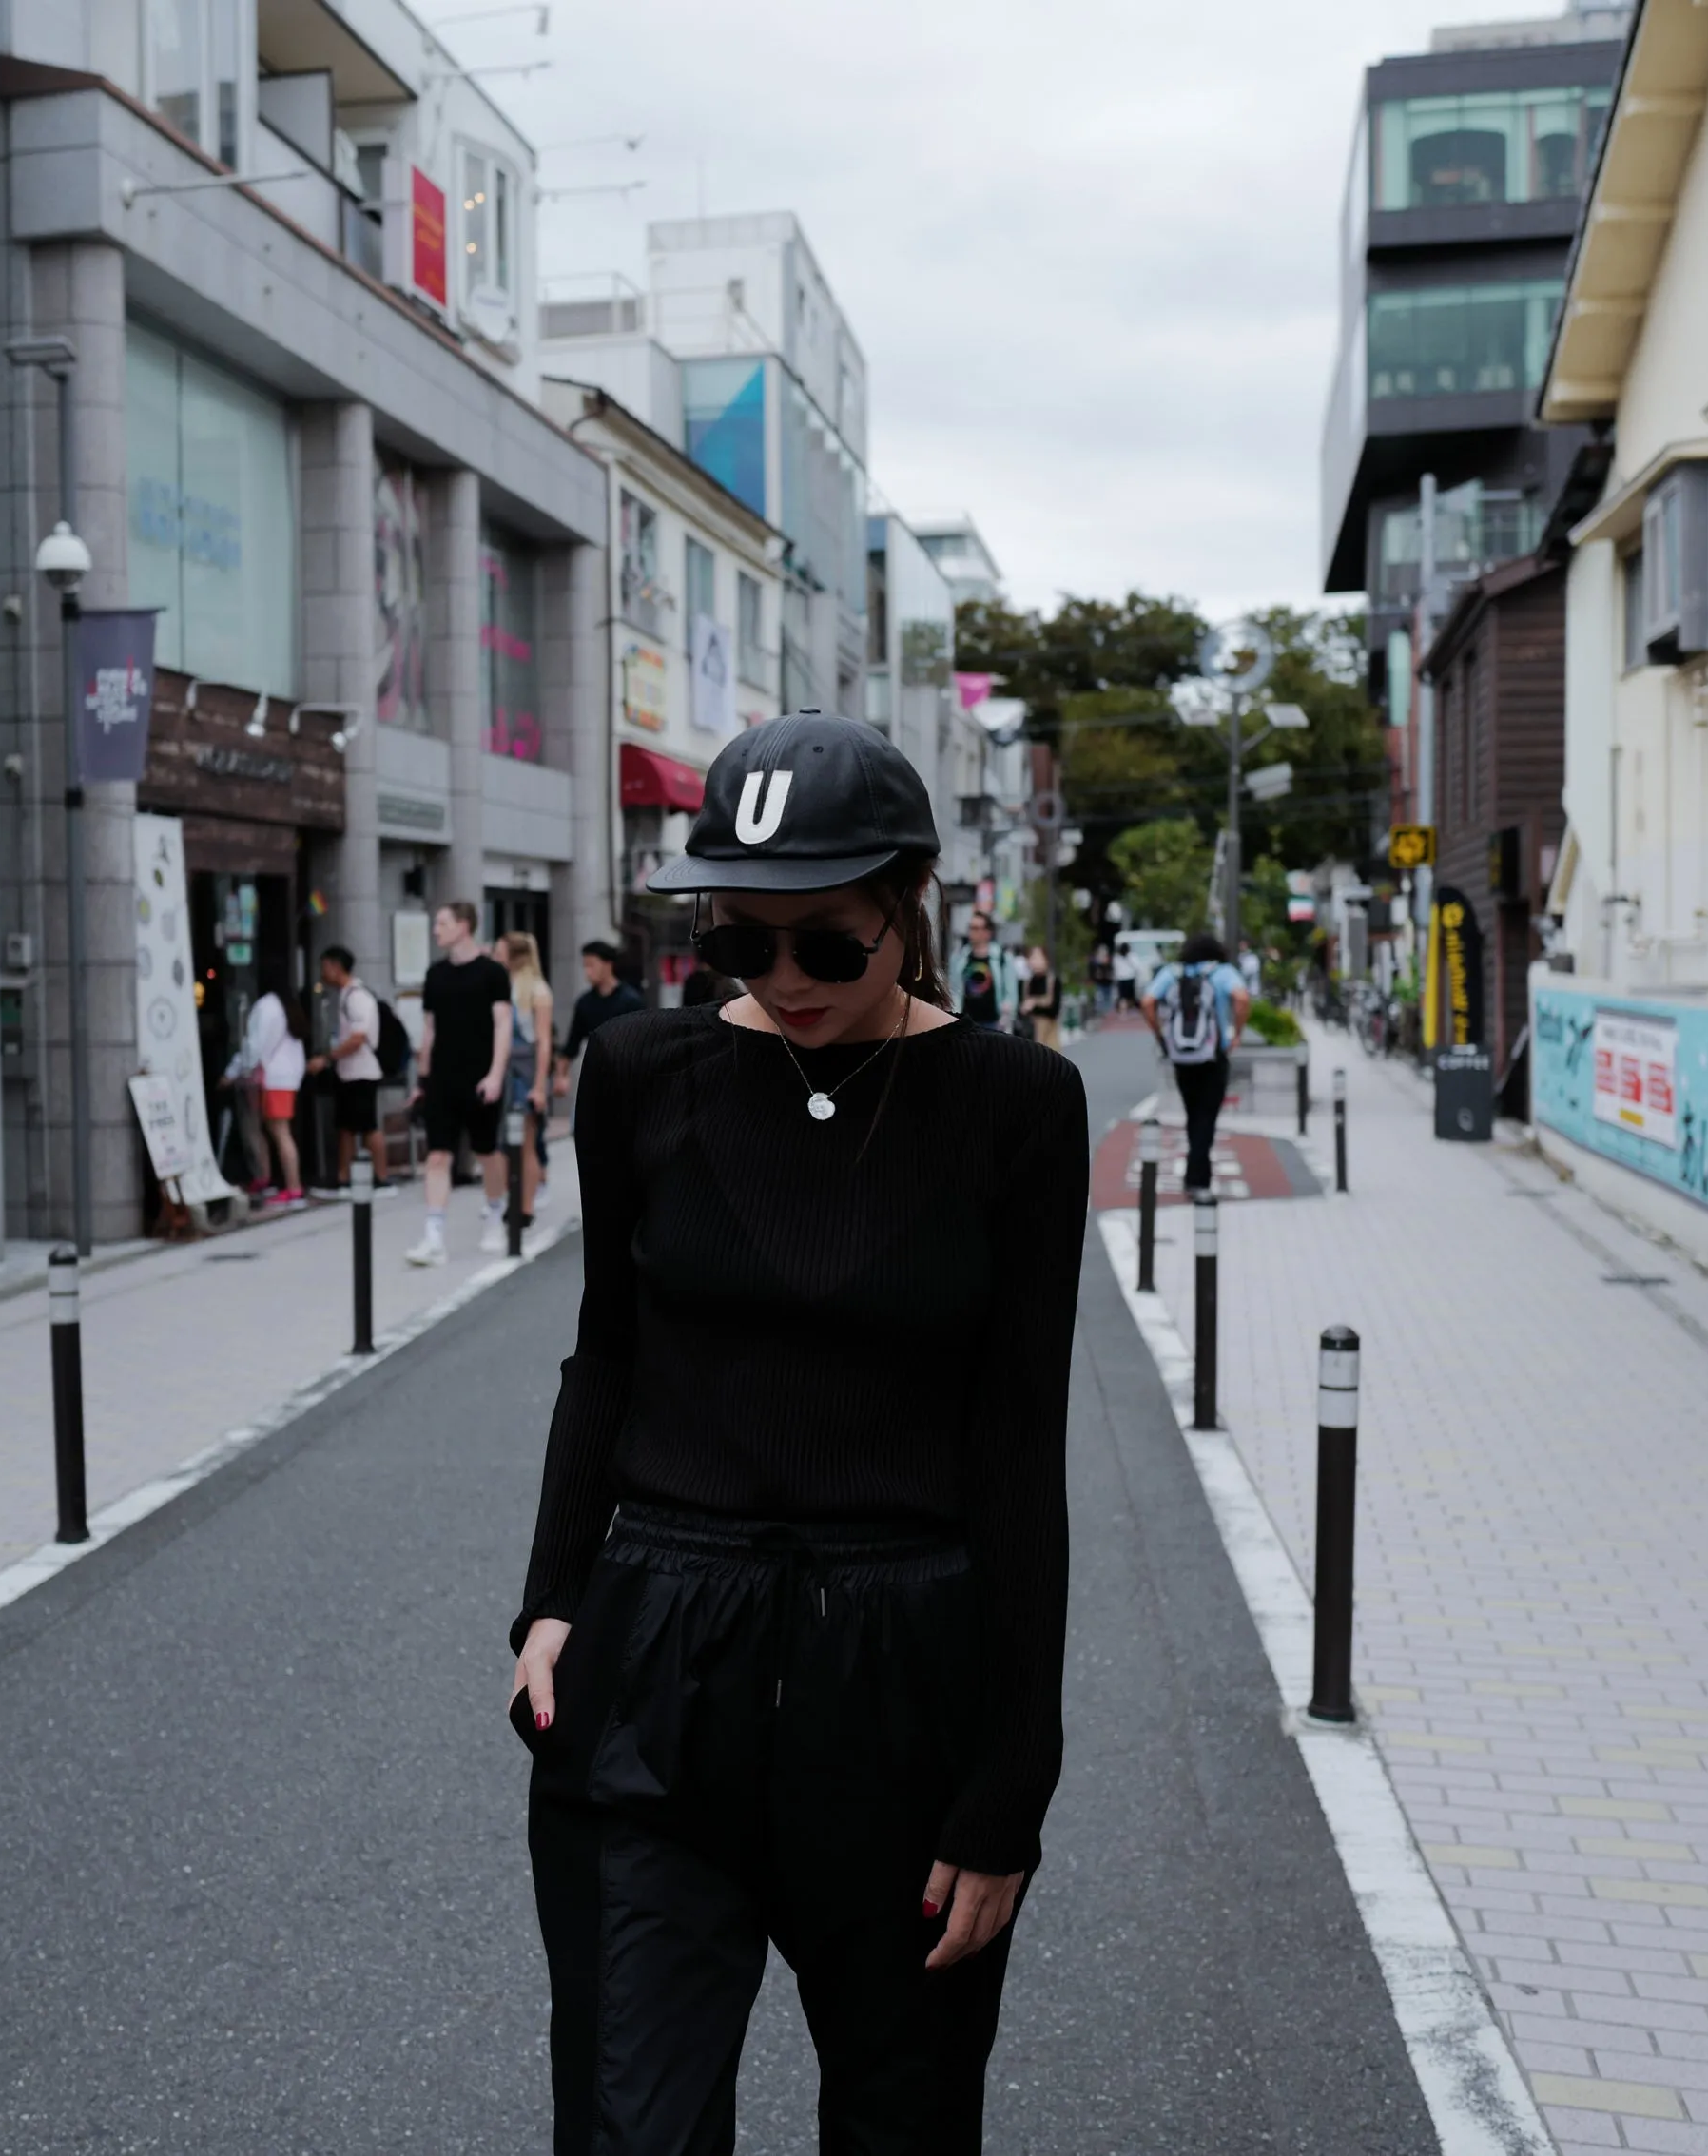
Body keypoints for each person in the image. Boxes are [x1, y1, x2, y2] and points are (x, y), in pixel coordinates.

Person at [509, 711, 1089, 2151]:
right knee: (629, 2126)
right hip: (656, 1666)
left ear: (911, 905)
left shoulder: (1017, 1105)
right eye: (738, 943)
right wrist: (550, 1596)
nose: (783, 980)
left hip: (904, 1679)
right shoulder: (644, 1073)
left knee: (903, 2123)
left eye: (827, 944)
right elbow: (608, 1353)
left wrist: (1014, 1776)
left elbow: (1019, 1442)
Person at [406, 900, 510, 1265]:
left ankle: (496, 1214)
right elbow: (429, 1030)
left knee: (486, 1152)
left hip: (481, 1077)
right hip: (442, 1080)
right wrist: (422, 1078)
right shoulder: (435, 975)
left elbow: (502, 1025)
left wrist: (496, 1073)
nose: (436, 930)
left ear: (464, 925)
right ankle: (433, 1238)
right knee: (437, 1155)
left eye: (442, 923)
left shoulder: (493, 973)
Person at [1147, 930, 1250, 1193]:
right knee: (1207, 1115)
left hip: (1181, 1055)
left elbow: (1147, 1001)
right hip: (1213, 1055)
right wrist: (1237, 1033)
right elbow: (1242, 998)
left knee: (1193, 1113)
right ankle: (1197, 1178)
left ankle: (1196, 1172)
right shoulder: (1222, 972)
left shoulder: (1173, 972)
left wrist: (1161, 1035)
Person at [305, 946, 384, 1187]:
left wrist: (327, 1058)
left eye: (324, 966)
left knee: (368, 1127)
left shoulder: (357, 996)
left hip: (362, 1072)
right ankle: (343, 1176)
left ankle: (381, 1176)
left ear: (335, 966)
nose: (322, 972)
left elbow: (357, 1039)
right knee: (346, 1128)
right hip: (349, 1072)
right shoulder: (345, 995)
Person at [498, 929, 557, 1234]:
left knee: (526, 1143)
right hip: (505, 1070)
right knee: (507, 1144)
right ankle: (514, 1199)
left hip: (526, 1070)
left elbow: (544, 1042)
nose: (497, 956)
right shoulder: (504, 986)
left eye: (501, 951)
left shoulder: (537, 990)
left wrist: (538, 1085)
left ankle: (526, 1206)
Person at [235, 965, 307, 1208]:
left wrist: (240, 1069)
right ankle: (269, 1180)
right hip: (286, 1077)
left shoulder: (267, 1006)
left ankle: (293, 1188)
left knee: (279, 1132)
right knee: (272, 1129)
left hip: (274, 1078)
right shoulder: (287, 1006)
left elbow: (256, 1044)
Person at [553, 940, 644, 1118]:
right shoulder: (584, 1003)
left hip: (626, 1077)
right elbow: (572, 1044)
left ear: (608, 964)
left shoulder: (631, 1001)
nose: (587, 971)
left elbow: (642, 1043)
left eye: (591, 965)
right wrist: (561, 1076)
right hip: (594, 1076)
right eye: (585, 966)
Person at [951, 908, 1014, 1033]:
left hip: (994, 1024)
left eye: (976, 928)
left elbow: (1010, 993)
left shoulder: (1001, 958)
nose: (971, 933)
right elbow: (953, 989)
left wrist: (1006, 1017)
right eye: (971, 928)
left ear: (987, 932)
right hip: (966, 1023)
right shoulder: (960, 958)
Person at [1019, 942, 1062, 1050]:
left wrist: (1034, 1004)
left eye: (1038, 957)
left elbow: (1054, 1009)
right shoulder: (1026, 983)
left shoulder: (1053, 981)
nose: (1034, 961)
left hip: (1049, 1035)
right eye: (1032, 957)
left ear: (1046, 960)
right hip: (1030, 1036)